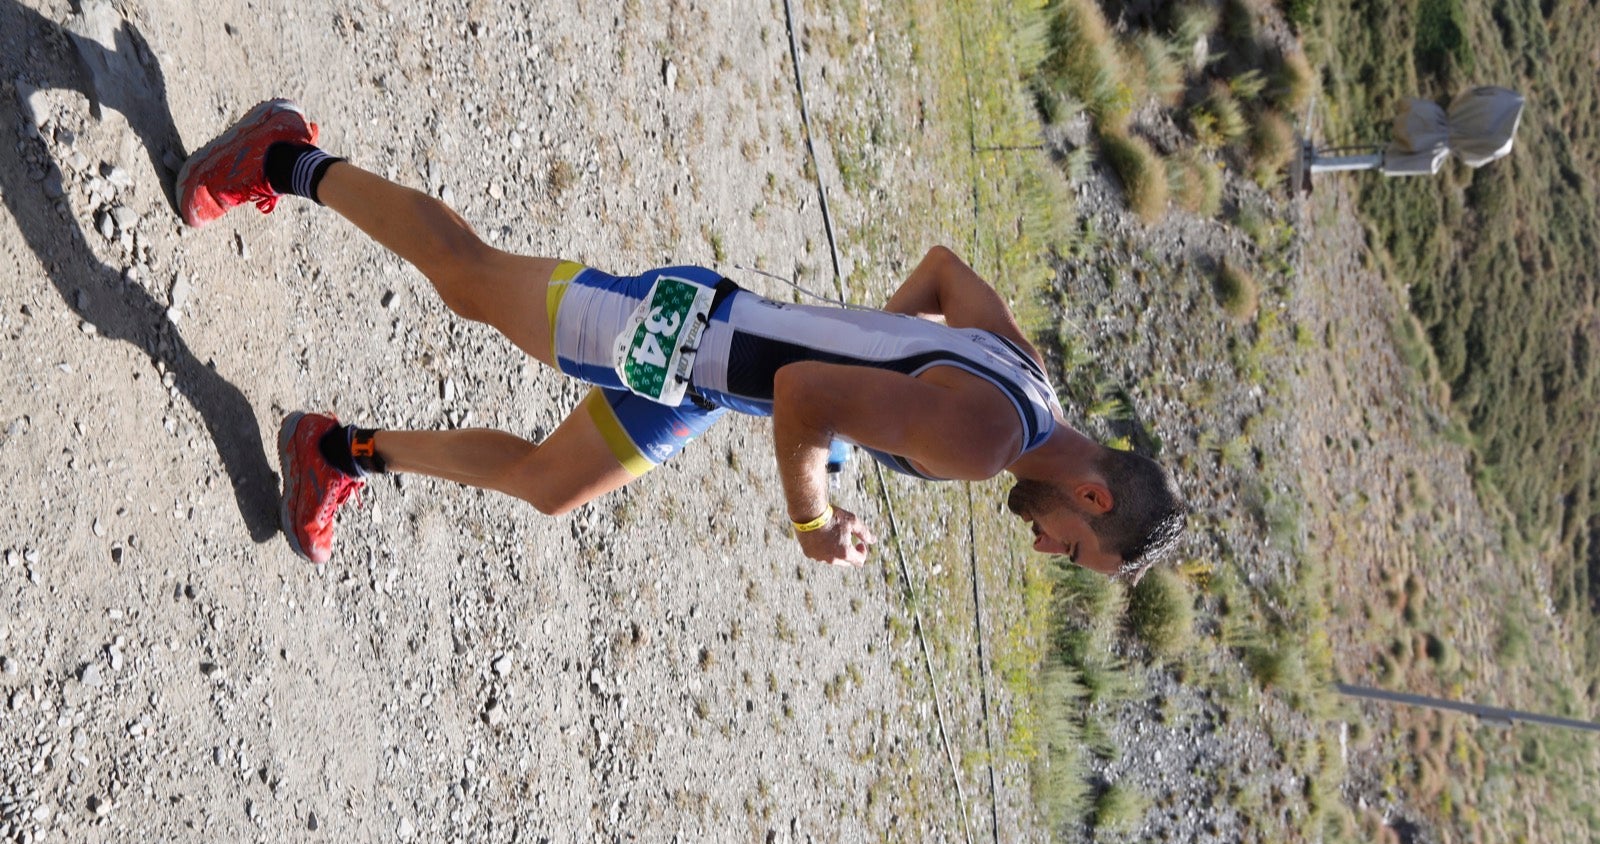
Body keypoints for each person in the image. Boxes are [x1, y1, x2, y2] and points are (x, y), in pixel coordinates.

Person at [177, 100, 1187, 577]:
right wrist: (812, 518)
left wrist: (863, 358)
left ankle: (332, 452)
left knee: (547, 485)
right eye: (1073, 546)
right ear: (1091, 496)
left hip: (699, 379)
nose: (1049, 546)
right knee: (470, 280)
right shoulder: (987, 446)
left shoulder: (1029, 385)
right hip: (681, 337)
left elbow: (937, 274)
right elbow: (802, 400)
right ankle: (283, 157)